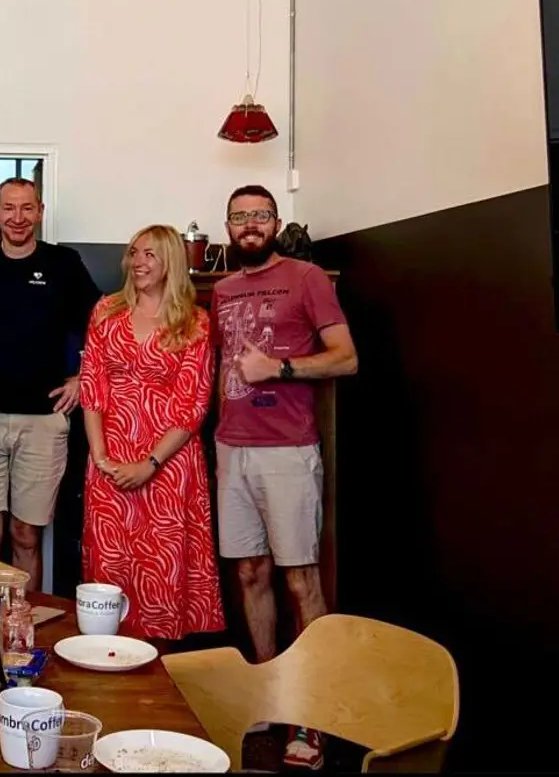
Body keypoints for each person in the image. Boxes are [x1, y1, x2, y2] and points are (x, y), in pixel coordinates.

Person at [213, 184, 358, 770]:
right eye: (239, 217)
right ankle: (271, 693)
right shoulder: (221, 288)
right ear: (228, 226)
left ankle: (312, 713)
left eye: (260, 216)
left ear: (276, 222)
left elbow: (347, 358)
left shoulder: (306, 276)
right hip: (231, 449)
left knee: (301, 580)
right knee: (250, 572)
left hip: (289, 451)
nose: (250, 224)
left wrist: (281, 366)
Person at [0, 178, 101, 589]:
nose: (17, 217)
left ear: (41, 211)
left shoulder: (65, 263)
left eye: (26, 208)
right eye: (8, 208)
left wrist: (84, 377)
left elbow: (103, 323)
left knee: (26, 536)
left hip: (44, 421)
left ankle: (25, 635)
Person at [80, 224, 224, 640]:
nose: (138, 263)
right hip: (109, 458)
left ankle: (158, 674)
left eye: (150, 255)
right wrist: (101, 457)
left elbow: (193, 403)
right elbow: (92, 389)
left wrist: (150, 463)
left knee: (161, 562)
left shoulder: (194, 322)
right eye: (133, 253)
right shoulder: (106, 311)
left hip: (169, 463)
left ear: (170, 263)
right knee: (109, 564)